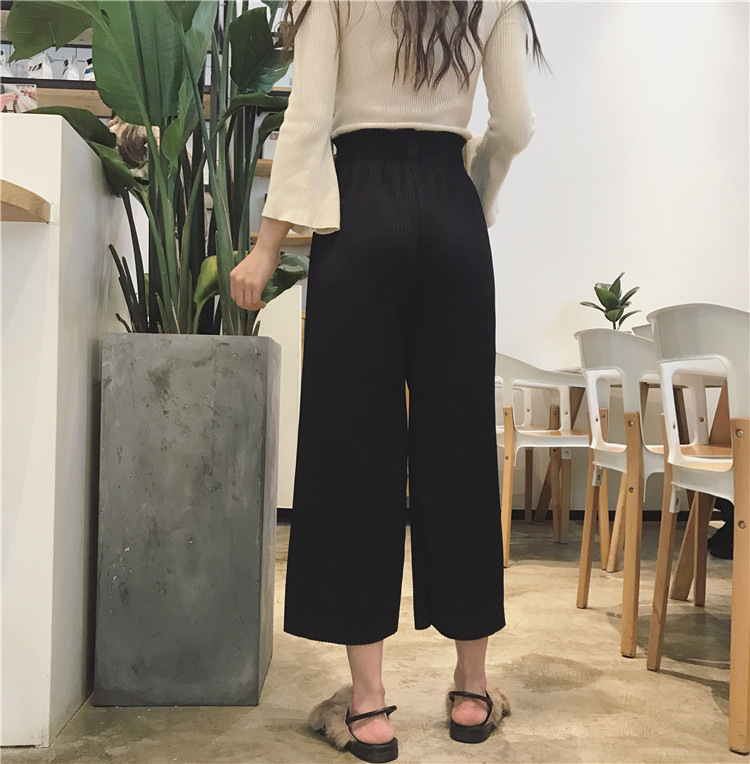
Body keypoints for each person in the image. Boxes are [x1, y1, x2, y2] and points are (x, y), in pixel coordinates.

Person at [230, 1, 548, 760]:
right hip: (451, 212)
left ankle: (369, 706)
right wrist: (473, 191)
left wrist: (267, 247)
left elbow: (309, 117)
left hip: (360, 211)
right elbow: (515, 123)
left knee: (355, 447)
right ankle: (472, 692)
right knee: (458, 448)